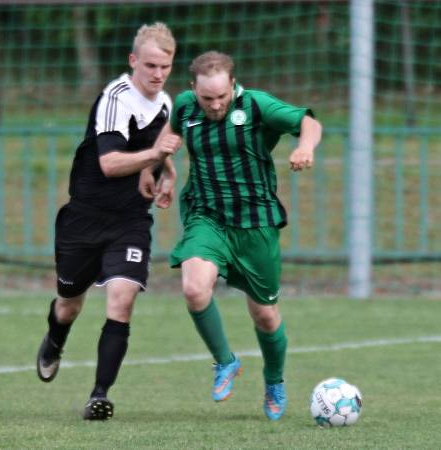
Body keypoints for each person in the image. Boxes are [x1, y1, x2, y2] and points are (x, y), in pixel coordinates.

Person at [35, 22, 181, 421]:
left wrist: (167, 173)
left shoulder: (165, 103)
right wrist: (156, 156)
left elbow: (157, 150)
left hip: (131, 220)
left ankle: (99, 395)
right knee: (68, 305)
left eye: (165, 67)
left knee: (122, 298)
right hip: (84, 218)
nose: (157, 74)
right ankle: (55, 338)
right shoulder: (116, 98)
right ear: (133, 60)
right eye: (150, 65)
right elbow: (111, 163)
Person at [168, 51, 322, 421]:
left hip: (255, 223)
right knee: (193, 288)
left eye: (221, 96)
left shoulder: (256, 106)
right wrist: (159, 167)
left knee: (265, 315)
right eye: (207, 98)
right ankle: (226, 362)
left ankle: (274, 381)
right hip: (207, 215)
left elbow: (308, 122)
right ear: (194, 90)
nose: (215, 104)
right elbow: (170, 136)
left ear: (233, 86)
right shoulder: (185, 107)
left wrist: (304, 146)